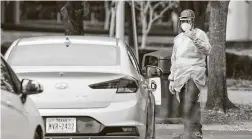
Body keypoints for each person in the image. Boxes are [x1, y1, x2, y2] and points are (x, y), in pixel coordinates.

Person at [168, 9, 211, 139]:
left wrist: (195, 39)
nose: (185, 24)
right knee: (183, 103)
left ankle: (196, 132)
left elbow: (208, 50)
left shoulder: (200, 34)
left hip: (195, 73)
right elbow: (174, 59)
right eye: (183, 21)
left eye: (187, 21)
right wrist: (171, 78)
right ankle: (188, 131)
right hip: (180, 75)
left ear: (192, 21)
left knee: (190, 101)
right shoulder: (178, 39)